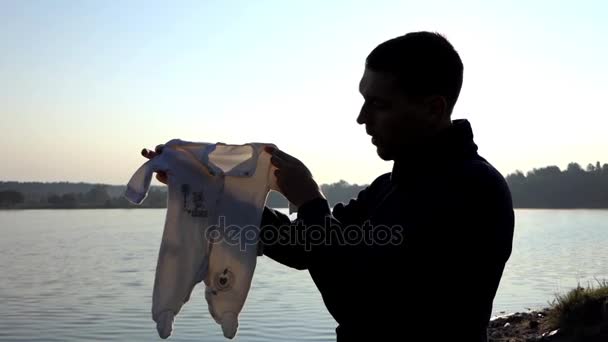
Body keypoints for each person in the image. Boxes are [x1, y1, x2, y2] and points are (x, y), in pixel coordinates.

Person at [142, 31, 515, 342]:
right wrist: (215, 193)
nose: (361, 118)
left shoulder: (473, 191)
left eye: (379, 105)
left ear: (434, 108)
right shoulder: (390, 187)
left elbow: (360, 301)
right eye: (363, 101)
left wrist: (309, 201)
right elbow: (306, 248)